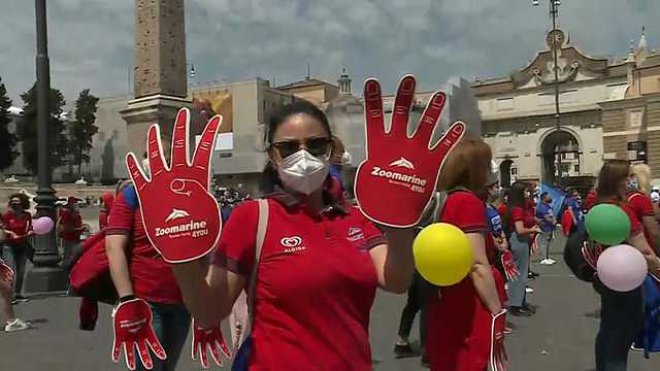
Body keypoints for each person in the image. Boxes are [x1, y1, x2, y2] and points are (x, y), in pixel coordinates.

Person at [169, 100, 420, 370]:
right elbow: (208, 312)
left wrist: (401, 221)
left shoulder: (353, 217)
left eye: (315, 145)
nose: (303, 155)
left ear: (330, 148)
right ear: (272, 156)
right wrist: (179, 255)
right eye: (288, 148)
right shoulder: (253, 217)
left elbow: (396, 280)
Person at [425, 138, 505, 370]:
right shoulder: (468, 202)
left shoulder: (448, 199)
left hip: (446, 299)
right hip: (469, 303)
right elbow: (477, 264)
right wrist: (497, 311)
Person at [106, 181, 191, 370]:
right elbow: (113, 247)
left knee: (167, 367)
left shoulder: (190, 191)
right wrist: (127, 301)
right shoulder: (131, 195)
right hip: (147, 304)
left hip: (185, 302)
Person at [590, 160, 660, 370]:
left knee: (608, 333)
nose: (632, 180)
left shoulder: (597, 206)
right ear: (619, 181)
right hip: (629, 281)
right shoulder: (623, 211)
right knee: (620, 338)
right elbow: (645, 251)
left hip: (607, 277)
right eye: (629, 176)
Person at [503, 181, 541, 316]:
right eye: (525, 191)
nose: (527, 193)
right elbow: (519, 229)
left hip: (521, 241)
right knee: (519, 273)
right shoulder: (518, 209)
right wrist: (533, 229)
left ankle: (520, 301)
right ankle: (515, 304)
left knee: (521, 272)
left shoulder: (517, 207)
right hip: (519, 241)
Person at [1, 194, 33, 303]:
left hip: (23, 245)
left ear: (22, 203)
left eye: (17, 202)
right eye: (13, 202)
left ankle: (18, 293)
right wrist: (11, 233)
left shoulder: (27, 215)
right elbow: (2, 229)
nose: (15, 204)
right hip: (9, 245)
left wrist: (30, 232)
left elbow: (30, 227)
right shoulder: (7, 216)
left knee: (21, 271)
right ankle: (9, 296)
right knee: (11, 271)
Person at [627, 164, 660, 254]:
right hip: (647, 248)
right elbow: (654, 232)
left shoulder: (625, 197)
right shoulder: (641, 199)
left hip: (630, 248)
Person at [58, 196, 87, 266]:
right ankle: (65, 271)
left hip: (76, 237)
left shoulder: (76, 213)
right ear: (70, 204)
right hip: (69, 238)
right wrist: (79, 229)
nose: (76, 204)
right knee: (68, 256)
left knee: (74, 256)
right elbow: (67, 228)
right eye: (75, 203)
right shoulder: (66, 213)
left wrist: (81, 229)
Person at [536, 192, 557, 265]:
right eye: (548, 197)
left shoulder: (547, 206)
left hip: (549, 227)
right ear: (544, 198)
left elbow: (552, 214)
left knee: (547, 242)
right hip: (545, 227)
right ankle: (544, 258)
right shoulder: (542, 207)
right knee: (544, 243)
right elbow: (547, 218)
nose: (550, 198)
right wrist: (553, 221)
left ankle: (547, 257)